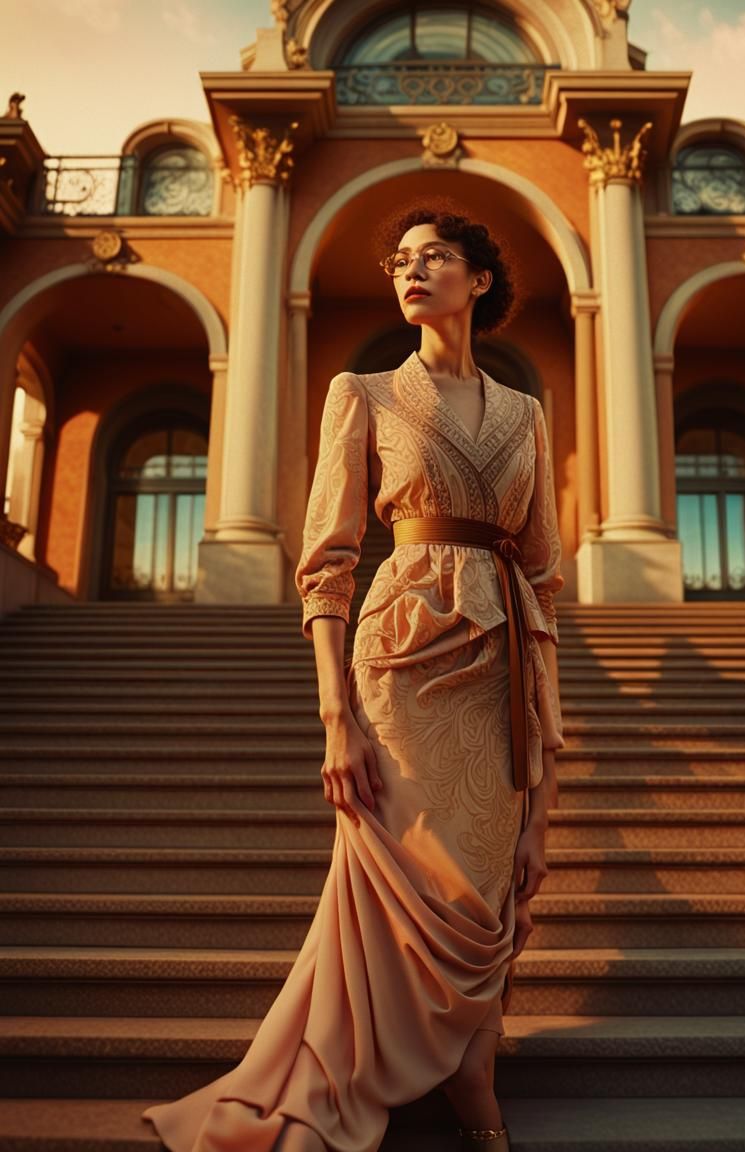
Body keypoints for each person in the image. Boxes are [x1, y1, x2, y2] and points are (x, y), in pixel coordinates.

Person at [140, 204, 564, 1152]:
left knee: (490, 885)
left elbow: (541, 583)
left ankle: (468, 1065)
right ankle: (446, 1075)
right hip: (398, 664)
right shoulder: (362, 392)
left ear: (479, 280)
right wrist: (337, 714)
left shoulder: (529, 414)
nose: (412, 273)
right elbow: (327, 560)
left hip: (499, 671)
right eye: (400, 262)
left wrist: (546, 774)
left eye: (436, 258)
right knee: (423, 878)